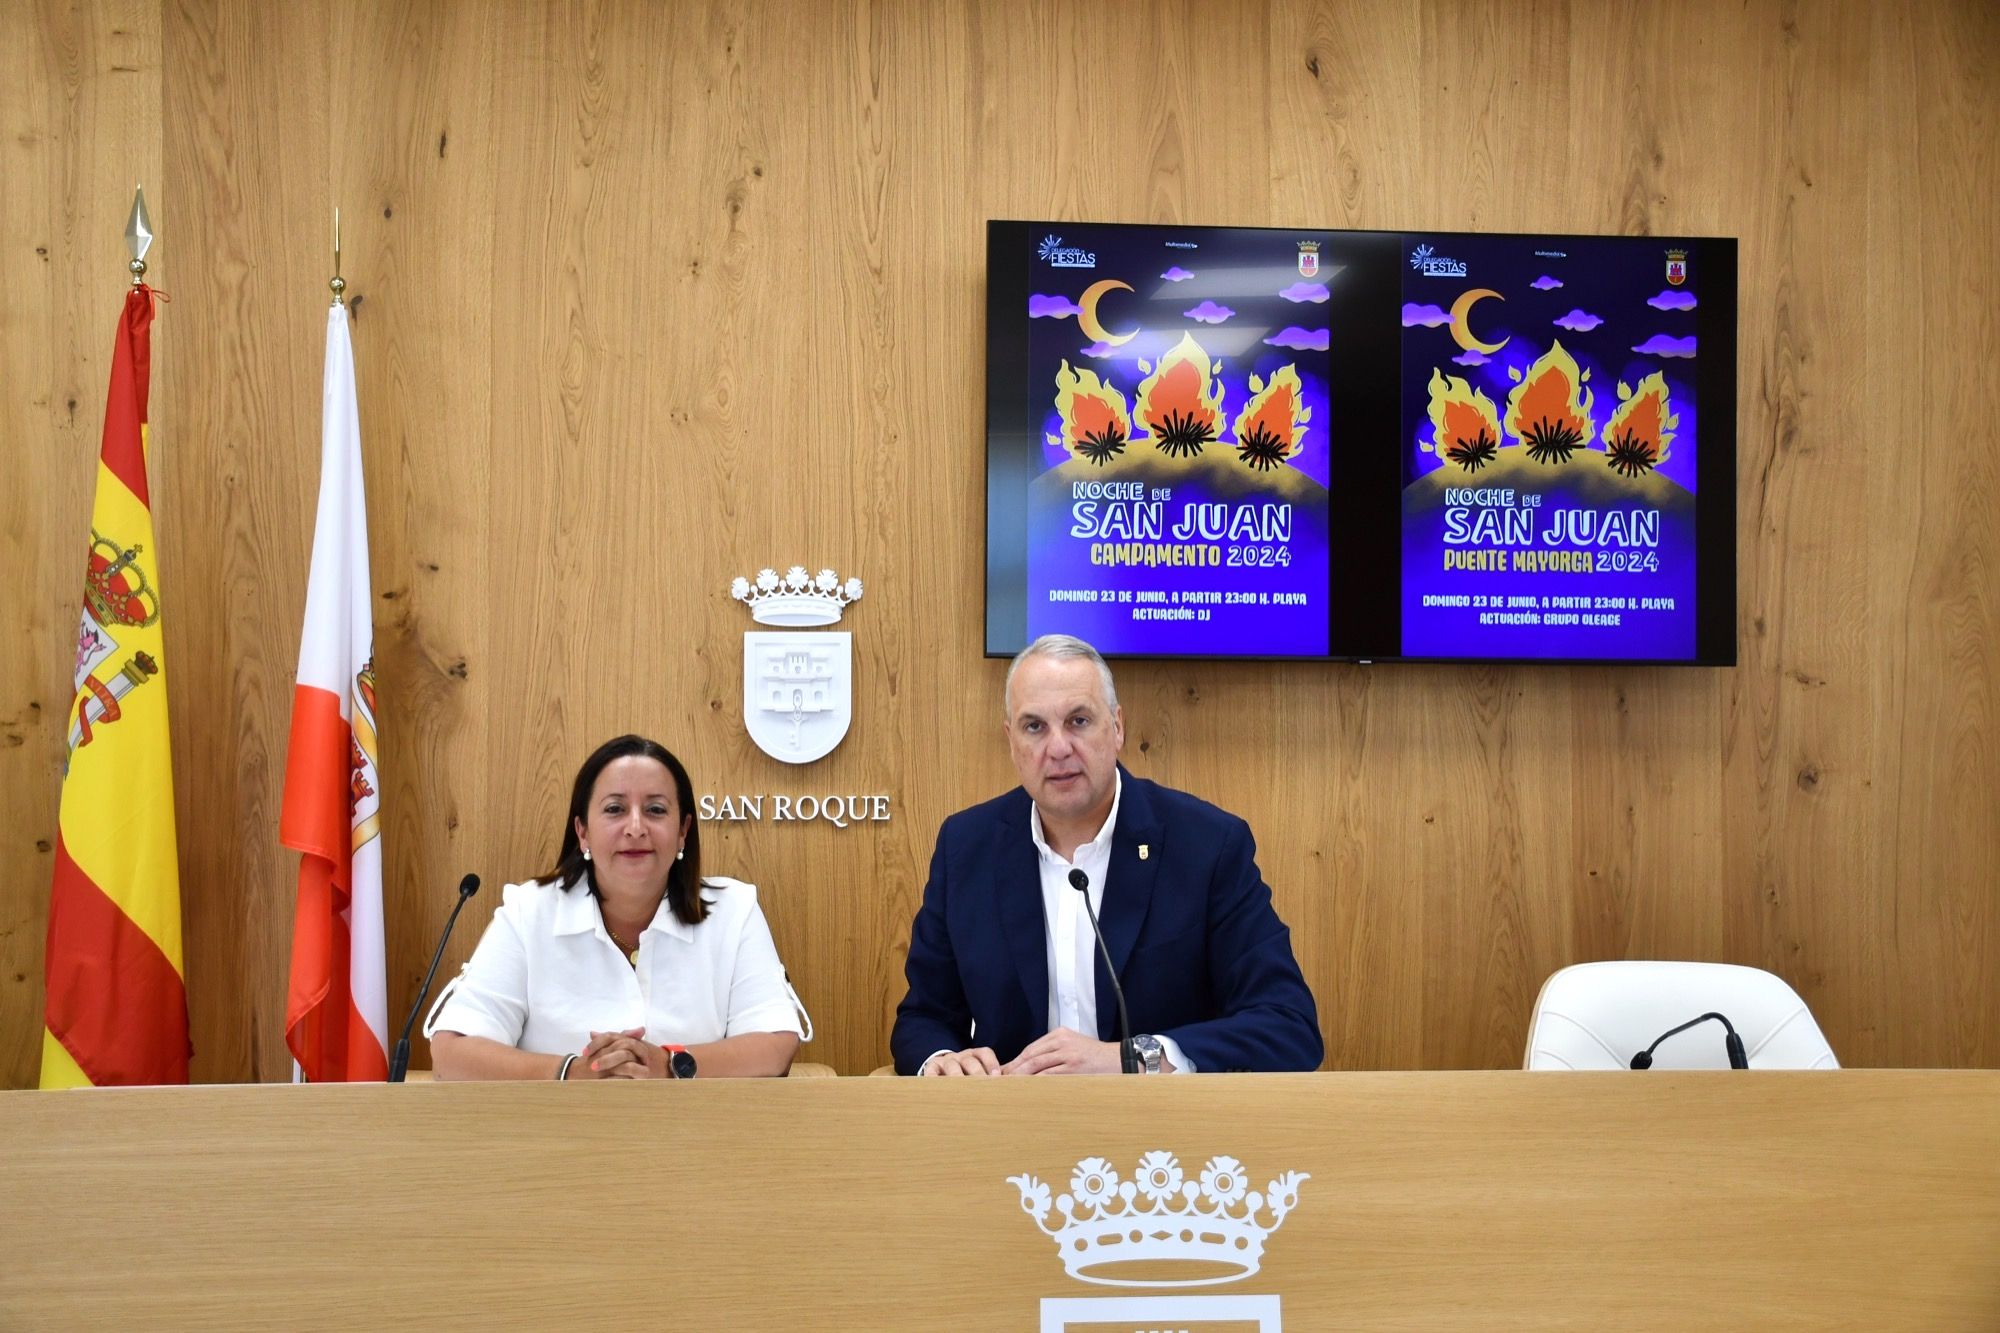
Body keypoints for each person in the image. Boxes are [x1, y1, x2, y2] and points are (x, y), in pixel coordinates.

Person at [891, 634, 1322, 1076]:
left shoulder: (1207, 845)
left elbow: (1288, 1027)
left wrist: (1133, 1059)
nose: (1057, 749)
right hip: (1013, 1126)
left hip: (1163, 1133)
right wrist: (942, 1061)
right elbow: (924, 1017)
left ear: (1116, 727)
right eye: (1034, 726)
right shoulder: (966, 847)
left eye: (1078, 721)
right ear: (1011, 740)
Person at [427, 734, 803, 1079]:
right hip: (554, 1142)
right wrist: (571, 1073)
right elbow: (453, 1051)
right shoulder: (529, 911)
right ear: (583, 832)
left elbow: (774, 1044)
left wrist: (672, 1065)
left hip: (697, 1141)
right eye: (614, 809)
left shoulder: (733, 910)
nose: (636, 827)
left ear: (683, 830)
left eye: (656, 810)